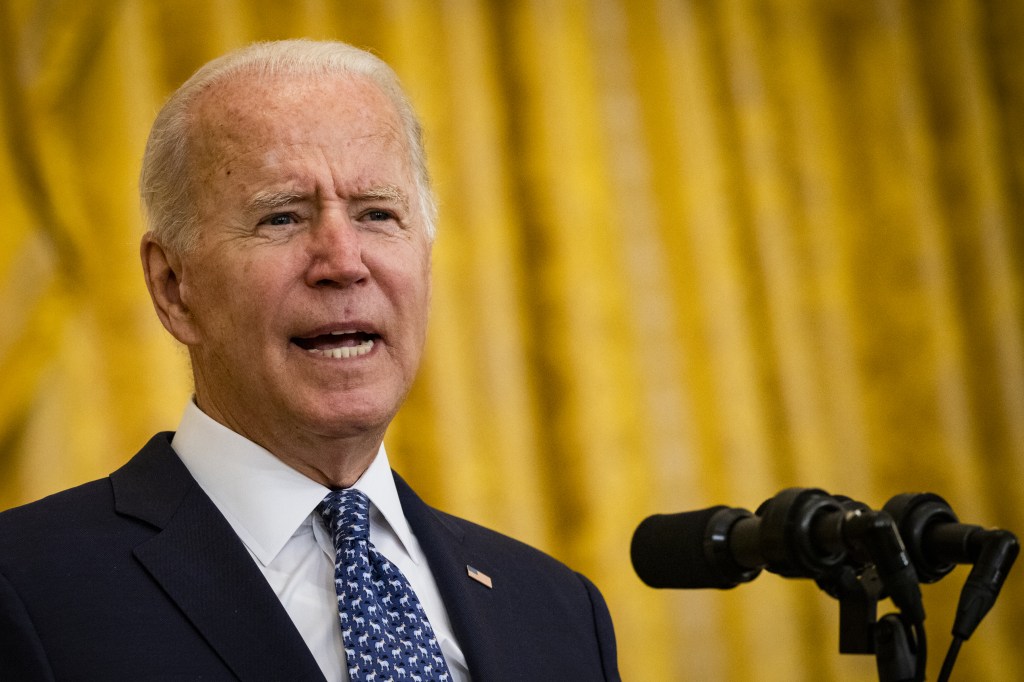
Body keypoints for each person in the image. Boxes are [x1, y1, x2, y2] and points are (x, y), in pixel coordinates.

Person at [0, 39, 620, 681]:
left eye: (378, 214)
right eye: (282, 219)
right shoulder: (26, 590)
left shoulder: (559, 609)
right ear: (174, 287)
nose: (344, 263)